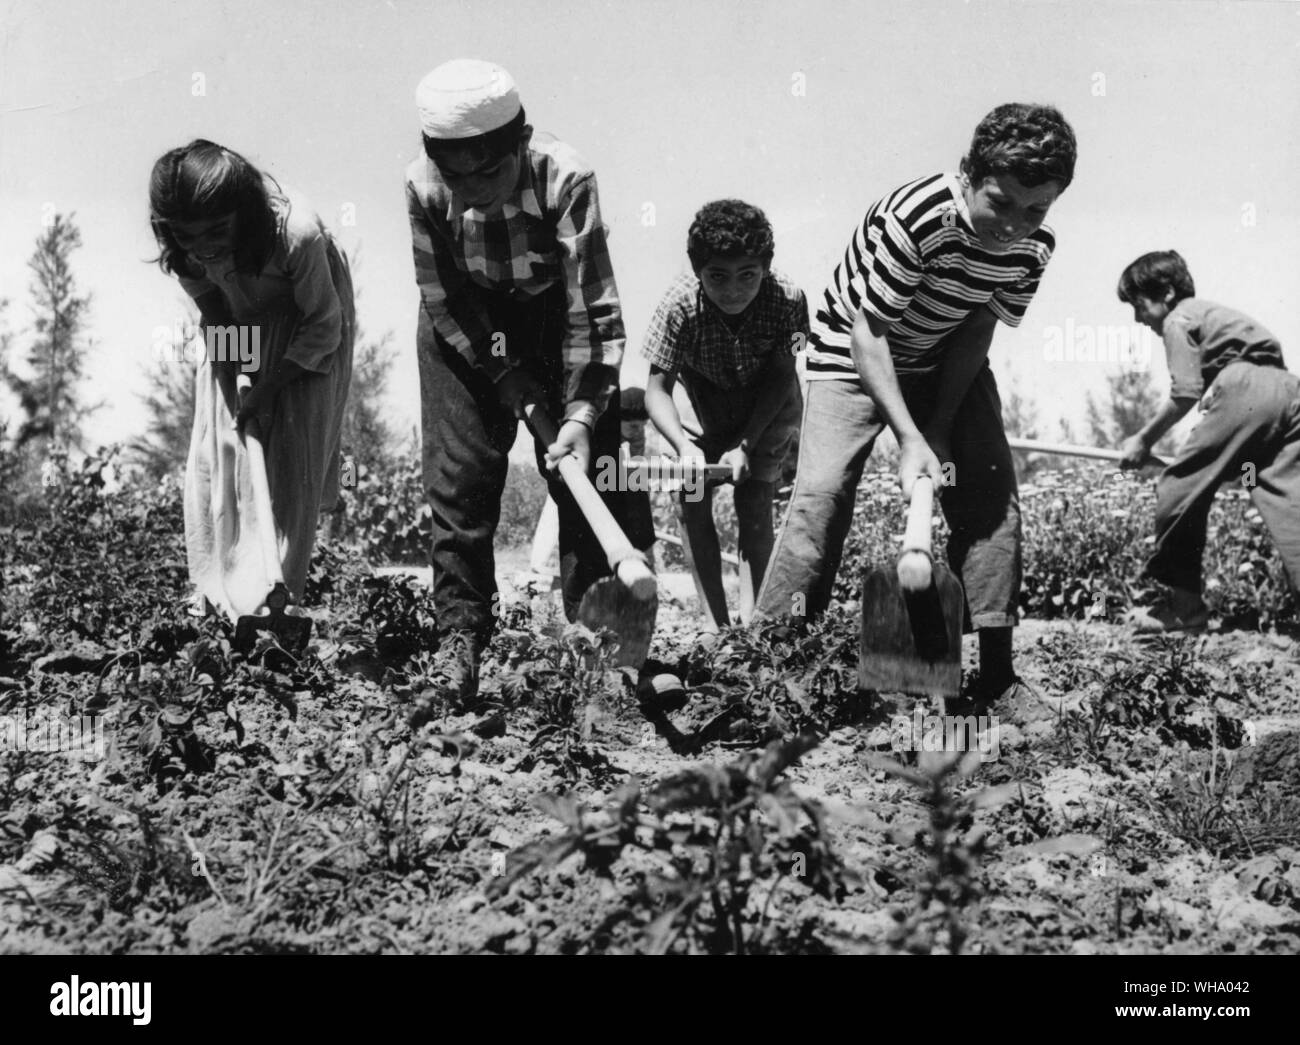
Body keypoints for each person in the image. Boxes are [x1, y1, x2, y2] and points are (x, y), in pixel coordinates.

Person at [753, 103, 1077, 709]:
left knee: (990, 495)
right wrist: (908, 438)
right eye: (1000, 203)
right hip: (855, 350)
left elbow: (978, 329)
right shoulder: (921, 215)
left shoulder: (1034, 248)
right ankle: (769, 661)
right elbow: (867, 333)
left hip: (945, 358)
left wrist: (940, 427)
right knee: (821, 497)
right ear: (966, 174)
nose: (1013, 225)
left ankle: (998, 676)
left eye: (1036, 209)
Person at [406, 59, 652, 709]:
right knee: (458, 479)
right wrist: (502, 370)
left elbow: (592, 310)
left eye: (488, 170)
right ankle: (460, 636)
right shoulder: (423, 187)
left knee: (593, 471)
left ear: (520, 142)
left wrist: (575, 417)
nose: (473, 189)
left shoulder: (565, 178)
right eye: (456, 174)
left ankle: (605, 645)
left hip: (553, 321)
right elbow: (445, 293)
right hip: (462, 327)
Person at [149, 139, 354, 620]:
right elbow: (215, 307)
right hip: (234, 323)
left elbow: (324, 325)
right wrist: (238, 375)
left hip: (305, 331)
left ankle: (271, 602)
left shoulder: (297, 234)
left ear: (244, 213)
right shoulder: (186, 245)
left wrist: (268, 388)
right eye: (187, 236)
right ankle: (219, 595)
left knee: (287, 458)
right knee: (221, 447)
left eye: (217, 230)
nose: (203, 247)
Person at [643, 200, 806, 629]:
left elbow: (783, 376)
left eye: (747, 276)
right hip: (698, 402)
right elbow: (657, 390)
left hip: (766, 404)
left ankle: (754, 628)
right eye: (718, 276)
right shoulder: (678, 305)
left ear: (765, 269)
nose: (733, 290)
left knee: (755, 498)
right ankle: (717, 628)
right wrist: (683, 448)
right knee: (691, 498)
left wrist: (746, 444)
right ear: (699, 271)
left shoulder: (789, 299)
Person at [1117, 250, 1300, 631]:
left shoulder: (1178, 317)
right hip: (1288, 393)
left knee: (1177, 490)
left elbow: (1185, 393)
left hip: (1244, 391)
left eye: (1139, 305)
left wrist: (1143, 440)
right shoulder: (1212, 313)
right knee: (1287, 503)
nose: (1138, 318)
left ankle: (1183, 609)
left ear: (1165, 293)